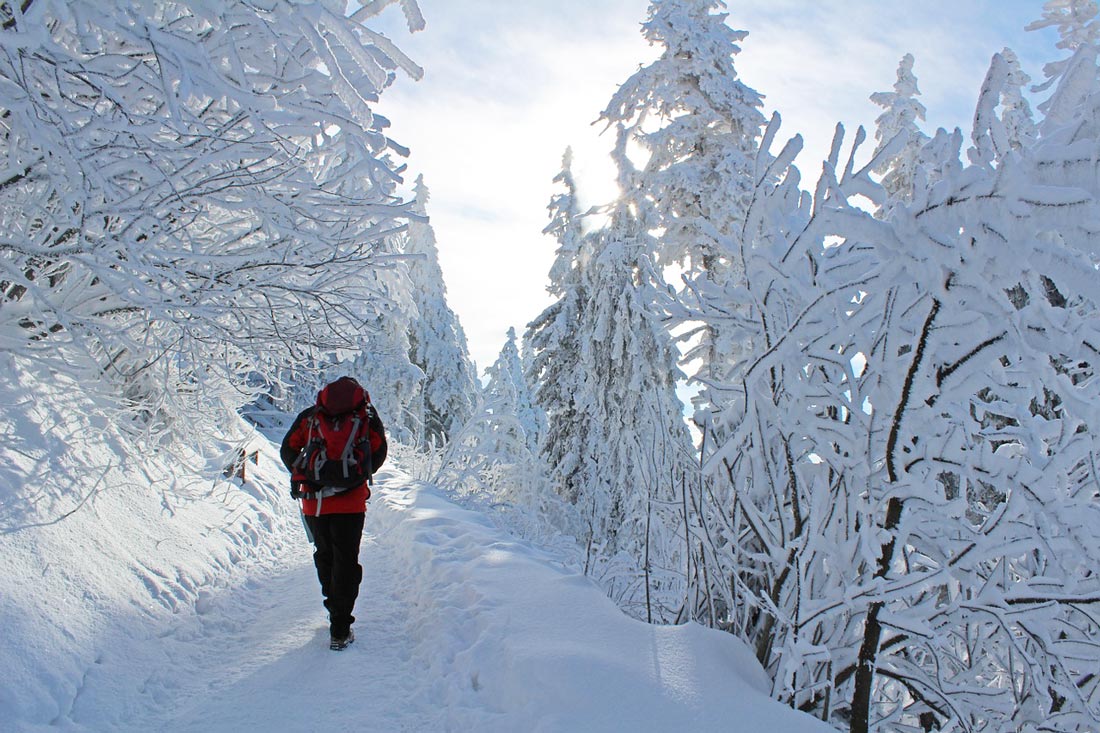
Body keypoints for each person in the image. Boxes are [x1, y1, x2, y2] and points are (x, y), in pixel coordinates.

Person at [280, 376, 387, 651]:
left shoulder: (312, 416)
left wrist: (310, 473)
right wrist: (354, 477)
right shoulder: (366, 417)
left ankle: (333, 609)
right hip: (351, 503)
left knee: (325, 555)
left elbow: (288, 449)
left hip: (314, 501)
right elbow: (379, 452)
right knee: (346, 561)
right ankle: (341, 627)